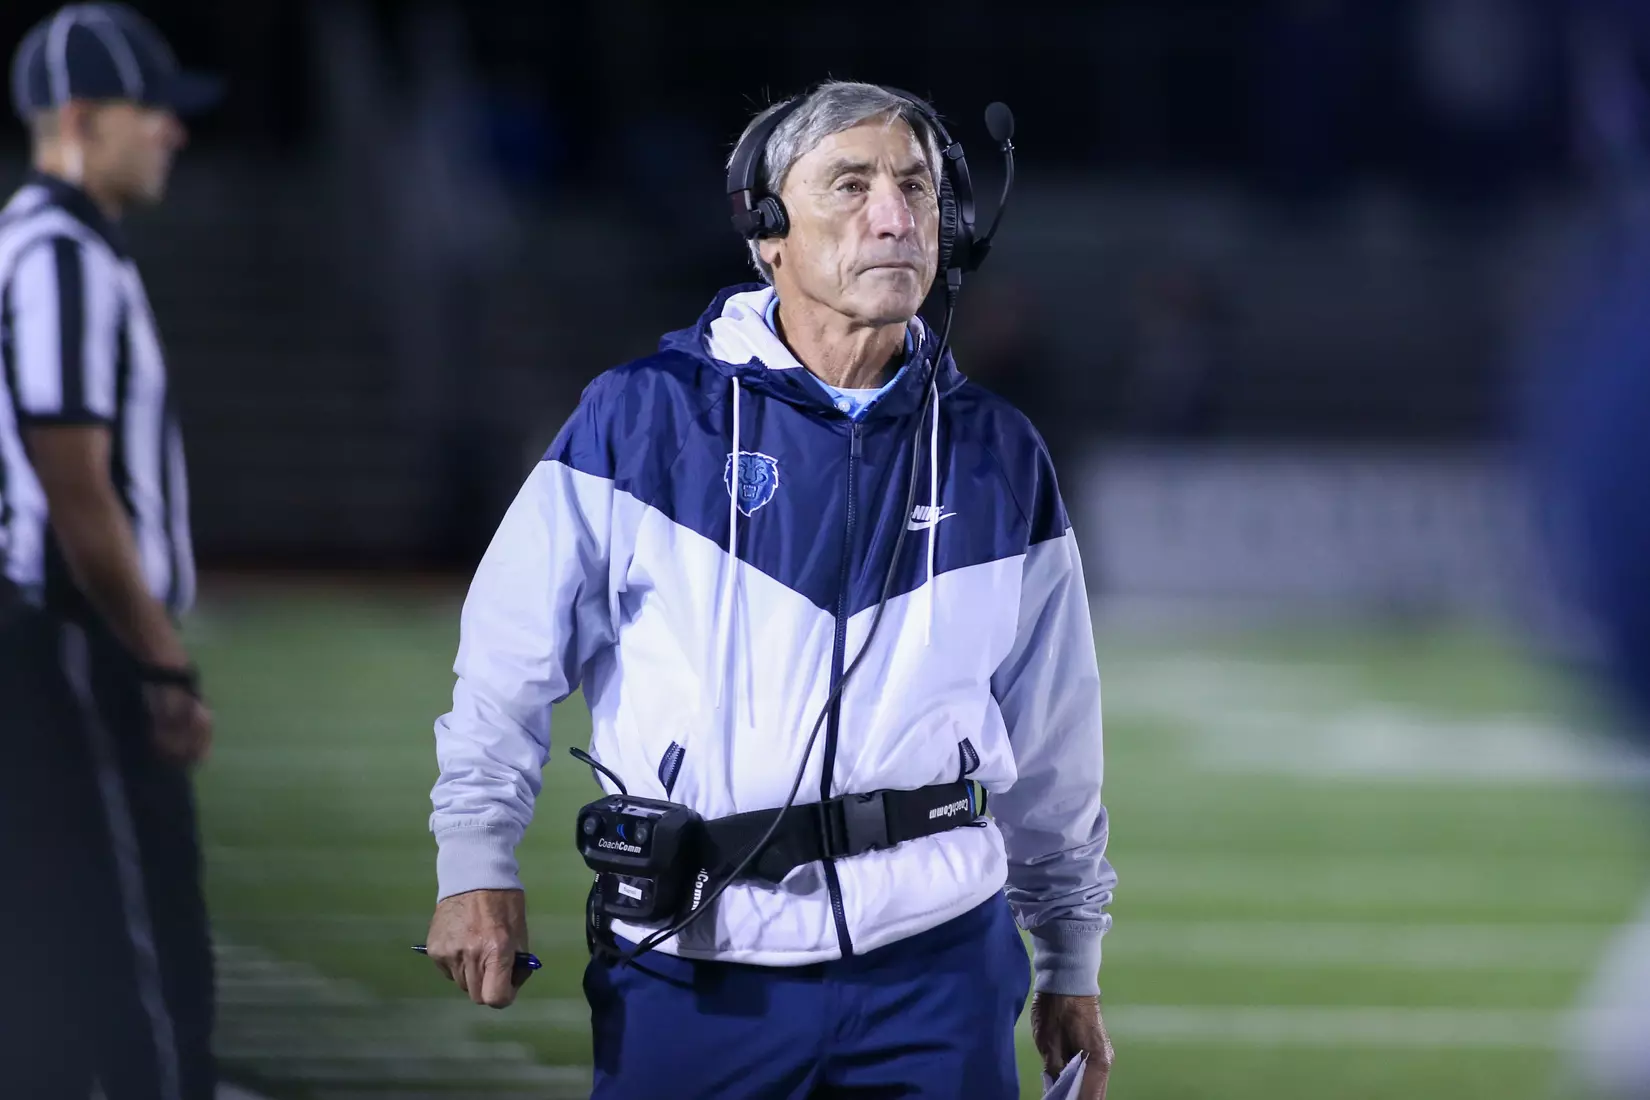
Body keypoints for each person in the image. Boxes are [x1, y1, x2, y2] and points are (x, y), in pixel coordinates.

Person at [425, 80, 1116, 1099]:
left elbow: (1054, 739)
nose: (896, 217)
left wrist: (1067, 954)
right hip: (694, 964)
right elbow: (507, 662)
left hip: (939, 973)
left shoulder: (1000, 454)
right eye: (852, 185)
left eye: (918, 188)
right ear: (768, 228)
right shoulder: (639, 422)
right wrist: (476, 858)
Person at [0, 5, 221, 1098]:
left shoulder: (51, 246)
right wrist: (159, 660)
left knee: (68, 970)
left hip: (58, 641)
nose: (172, 132)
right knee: (148, 972)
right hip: (76, 644)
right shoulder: (60, 254)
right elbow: (72, 478)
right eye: (152, 112)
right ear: (84, 118)